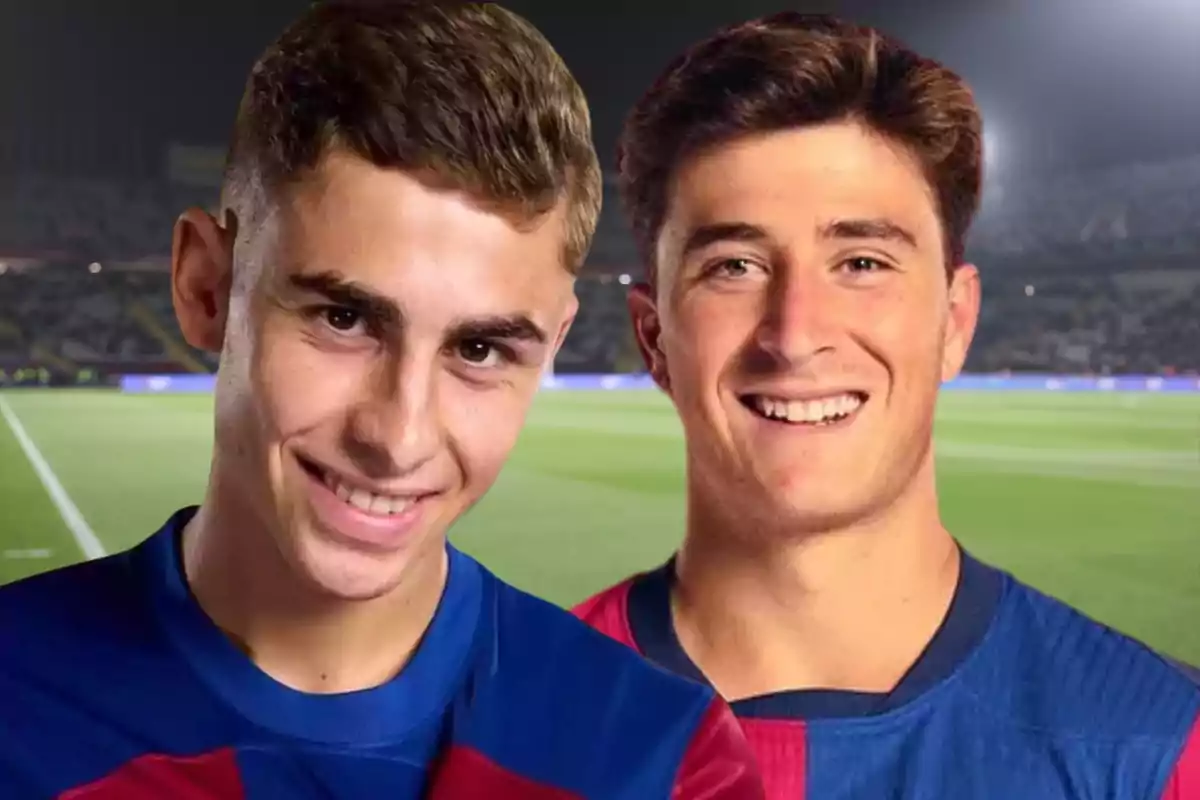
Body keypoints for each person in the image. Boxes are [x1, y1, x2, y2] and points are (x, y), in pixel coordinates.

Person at [0, 3, 764, 797]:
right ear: (206, 287)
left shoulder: (670, 761)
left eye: (479, 349)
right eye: (344, 318)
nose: (399, 437)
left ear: (555, 342)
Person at [576, 12, 1200, 799]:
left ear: (955, 321)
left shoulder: (1164, 745)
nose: (796, 334)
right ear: (654, 338)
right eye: (734, 266)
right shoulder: (491, 723)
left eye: (862, 262)